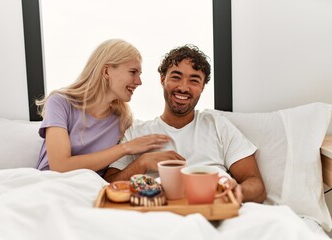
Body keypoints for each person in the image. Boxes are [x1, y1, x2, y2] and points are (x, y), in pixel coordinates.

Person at [104, 44, 266, 204]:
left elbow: (256, 185)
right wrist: (142, 162)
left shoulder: (218, 125)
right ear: (163, 79)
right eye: (176, 77)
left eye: (194, 81)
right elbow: (108, 186)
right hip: (157, 213)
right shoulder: (136, 132)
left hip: (211, 209)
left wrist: (237, 190)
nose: (183, 87)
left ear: (202, 87)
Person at [35, 39, 173, 176]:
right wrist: (125, 148)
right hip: (49, 185)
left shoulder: (123, 120)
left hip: (91, 190)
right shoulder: (60, 103)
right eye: (132, 72)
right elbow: (60, 166)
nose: (139, 82)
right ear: (106, 71)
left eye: (139, 75)